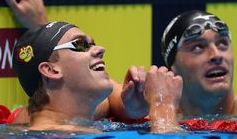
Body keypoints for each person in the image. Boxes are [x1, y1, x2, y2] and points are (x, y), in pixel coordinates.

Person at [0, 0, 237, 122]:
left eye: (223, 43)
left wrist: (135, 106)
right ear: (171, 67)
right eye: (198, 46)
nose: (216, 55)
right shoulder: (155, 112)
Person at [13, 20, 182, 132]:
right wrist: (163, 105)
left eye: (92, 44)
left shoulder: (70, 116)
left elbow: (107, 103)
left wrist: (129, 107)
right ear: (51, 71)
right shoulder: (67, 137)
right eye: (81, 45)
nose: (100, 49)